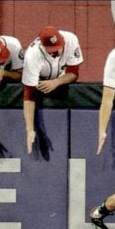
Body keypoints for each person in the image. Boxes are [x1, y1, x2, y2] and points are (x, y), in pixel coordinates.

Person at [22, 26, 83, 155]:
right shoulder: (32, 55)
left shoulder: (71, 39)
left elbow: (73, 74)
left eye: (57, 47)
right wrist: (30, 129)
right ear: (43, 46)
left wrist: (56, 82)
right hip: (40, 80)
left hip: (60, 78)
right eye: (51, 50)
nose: (56, 52)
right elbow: (29, 94)